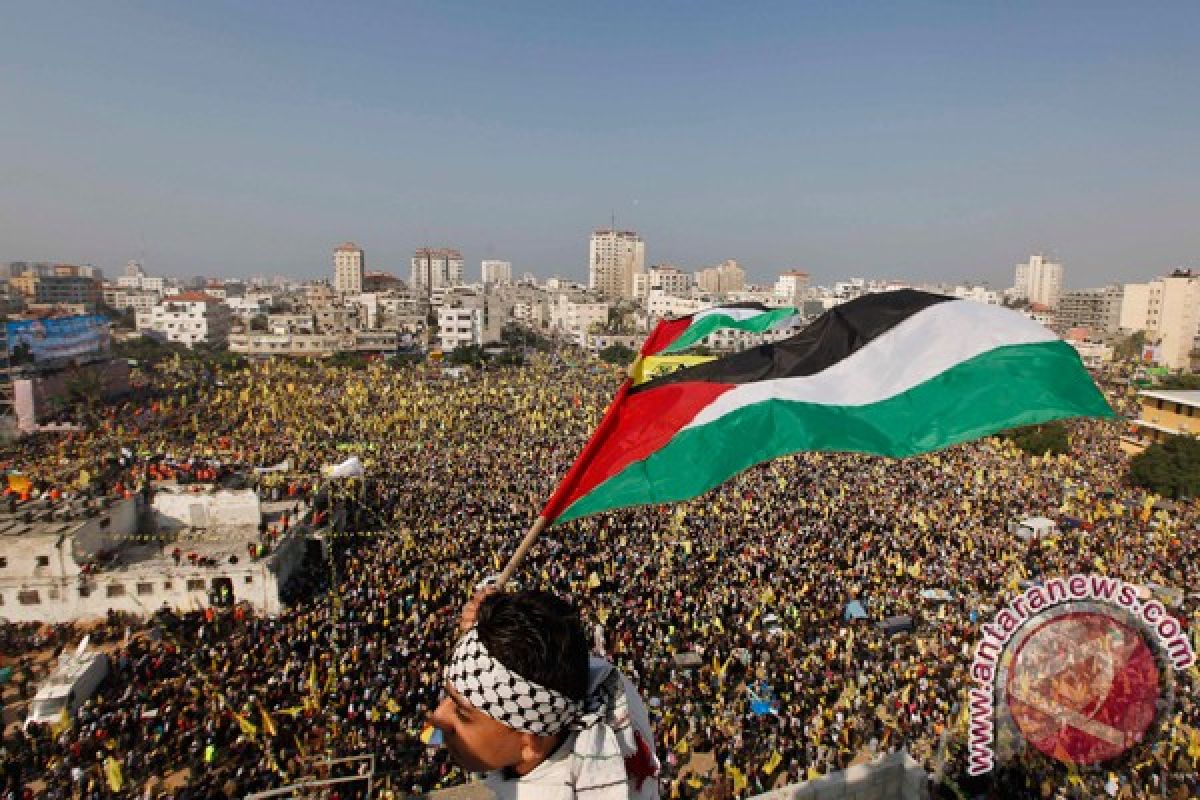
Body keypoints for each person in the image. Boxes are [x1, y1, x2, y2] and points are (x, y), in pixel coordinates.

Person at [429, 589, 660, 800]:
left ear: (530, 742)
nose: (437, 716)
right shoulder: (609, 692)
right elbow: (550, 648)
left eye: (462, 712)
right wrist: (488, 633)